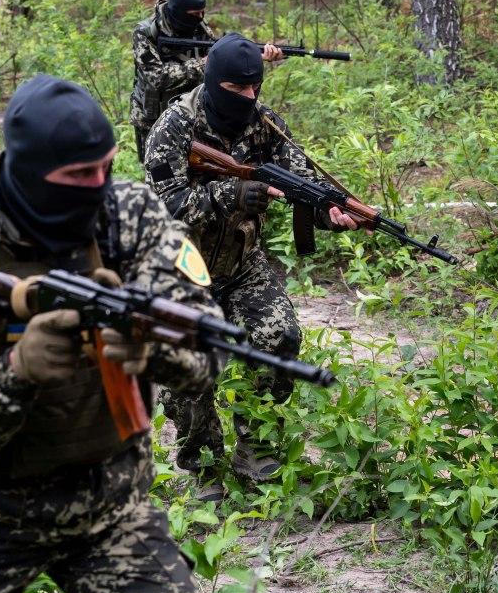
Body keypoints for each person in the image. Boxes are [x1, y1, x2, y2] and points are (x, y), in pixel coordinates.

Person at [0, 74, 218, 593]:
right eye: (80, 175)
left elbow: (207, 353)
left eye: (108, 167)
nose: (100, 185)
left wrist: (150, 349)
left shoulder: (130, 214)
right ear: (31, 174)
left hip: (111, 505)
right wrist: (17, 371)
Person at [142, 34, 359, 496]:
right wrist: (230, 194)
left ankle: (255, 445)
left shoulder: (265, 125)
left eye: (253, 88)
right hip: (181, 268)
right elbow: (166, 207)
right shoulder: (174, 127)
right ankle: (202, 462)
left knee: (280, 337)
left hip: (242, 262)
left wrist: (329, 211)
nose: (247, 98)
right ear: (212, 81)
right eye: (235, 90)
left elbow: (302, 178)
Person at [129, 0, 218, 162]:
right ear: (178, 12)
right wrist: (201, 65)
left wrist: (255, 55)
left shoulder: (199, 27)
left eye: (203, 12)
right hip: (151, 117)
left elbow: (216, 54)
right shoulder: (146, 33)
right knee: (156, 171)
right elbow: (157, 77)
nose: (200, 17)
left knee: (188, 169)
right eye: (194, 14)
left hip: (187, 113)